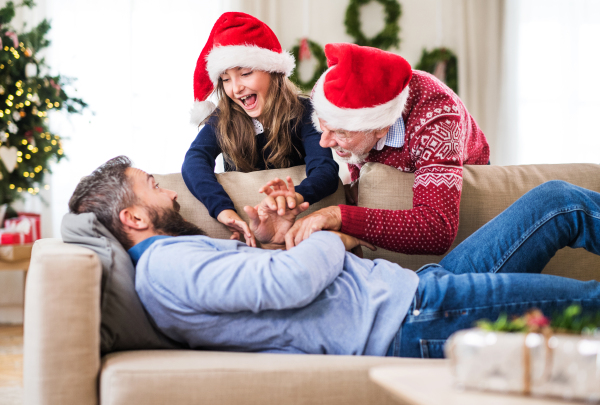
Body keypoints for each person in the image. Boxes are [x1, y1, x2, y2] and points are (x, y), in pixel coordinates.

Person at [68, 156, 600, 358]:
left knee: (558, 202)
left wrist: (279, 236)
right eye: (153, 187)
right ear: (133, 219)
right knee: (592, 306)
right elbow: (290, 287)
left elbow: (273, 284)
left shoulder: (177, 258)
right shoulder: (167, 269)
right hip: (413, 318)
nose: (172, 192)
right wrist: (320, 227)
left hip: (414, 292)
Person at [284, 43, 490, 254]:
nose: (324, 142)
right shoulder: (346, 117)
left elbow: (437, 230)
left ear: (381, 128)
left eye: (340, 132)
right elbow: (358, 154)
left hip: (459, 181)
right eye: (323, 128)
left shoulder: (437, 115)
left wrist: (339, 216)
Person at [182, 12, 339, 247]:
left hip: (295, 230)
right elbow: (194, 161)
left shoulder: (304, 112)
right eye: (225, 79)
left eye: (245, 73)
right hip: (247, 234)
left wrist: (293, 197)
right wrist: (223, 210)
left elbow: (325, 169)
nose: (236, 88)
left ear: (273, 71)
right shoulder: (221, 119)